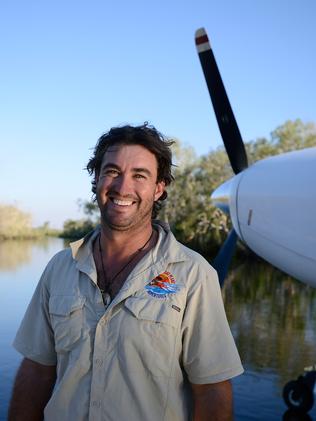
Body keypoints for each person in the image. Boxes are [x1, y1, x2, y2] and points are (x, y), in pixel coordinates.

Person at [9, 124, 243, 421]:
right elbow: (36, 371)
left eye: (139, 175)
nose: (122, 187)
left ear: (159, 188)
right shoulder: (59, 267)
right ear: (96, 180)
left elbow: (212, 391)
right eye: (112, 172)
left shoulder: (194, 275)